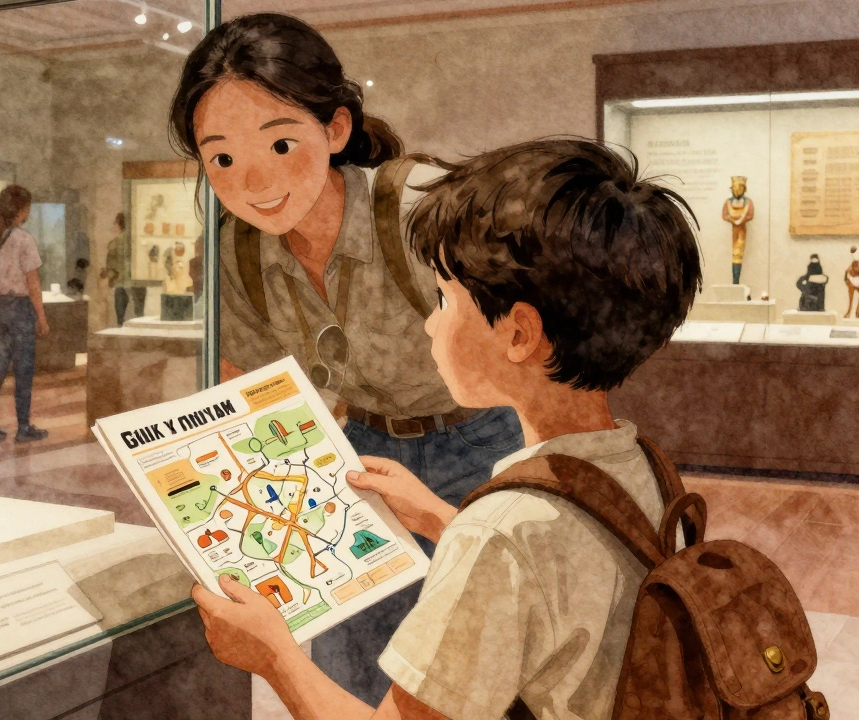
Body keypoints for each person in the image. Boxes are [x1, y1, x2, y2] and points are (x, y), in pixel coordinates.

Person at [192, 138, 703, 720]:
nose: (433, 322)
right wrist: (441, 517)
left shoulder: (500, 535)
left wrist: (273, 655)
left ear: (518, 334)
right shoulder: (644, 466)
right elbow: (562, 575)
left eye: (446, 297)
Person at [167, 12, 524, 701]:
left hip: (484, 443)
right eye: (222, 158)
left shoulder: (418, 207)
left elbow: (532, 350)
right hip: (354, 451)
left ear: (334, 129)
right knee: (352, 663)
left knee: (491, 665)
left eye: (279, 143)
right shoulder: (238, 251)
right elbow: (243, 391)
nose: (253, 181)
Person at [0, 185, 49, 445]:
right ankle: (23, 427)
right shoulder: (24, 240)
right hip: (19, 310)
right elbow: (33, 284)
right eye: (27, 207)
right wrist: (41, 318)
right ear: (20, 210)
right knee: (23, 369)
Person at [101, 212, 145, 325]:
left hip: (121, 283)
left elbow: (111, 266)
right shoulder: (138, 241)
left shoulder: (115, 243)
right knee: (139, 316)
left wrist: (109, 277)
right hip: (138, 283)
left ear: (119, 223)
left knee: (121, 320)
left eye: (116, 222)